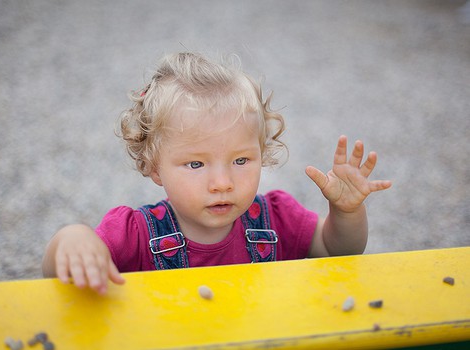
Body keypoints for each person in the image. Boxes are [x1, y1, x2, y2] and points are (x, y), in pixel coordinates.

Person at [42, 52, 392, 294]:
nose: (223, 183)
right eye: (196, 164)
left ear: (262, 153)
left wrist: (346, 212)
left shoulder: (276, 220)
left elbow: (337, 251)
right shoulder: (133, 235)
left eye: (241, 161)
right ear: (153, 166)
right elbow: (54, 275)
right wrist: (72, 239)